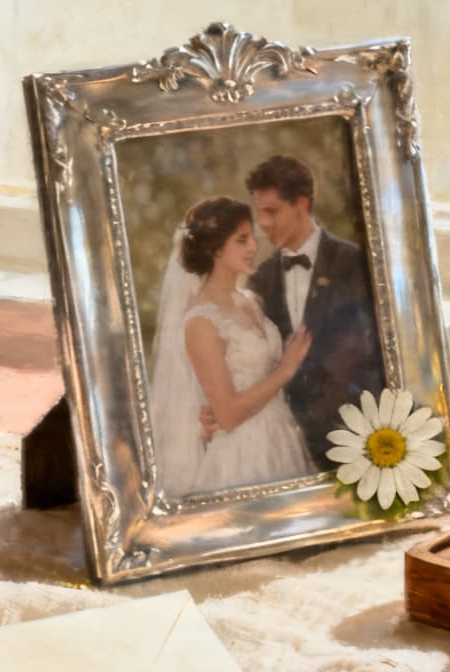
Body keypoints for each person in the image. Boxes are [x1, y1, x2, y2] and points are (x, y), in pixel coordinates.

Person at [147, 196, 314, 497]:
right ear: (214, 249)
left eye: (251, 237)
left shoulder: (252, 300)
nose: (253, 247)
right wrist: (286, 369)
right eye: (242, 240)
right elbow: (226, 414)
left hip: (281, 437)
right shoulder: (201, 320)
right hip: (243, 453)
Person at [236, 154, 387, 471]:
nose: (262, 224)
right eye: (259, 213)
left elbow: (376, 355)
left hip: (356, 436)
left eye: (271, 212)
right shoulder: (260, 279)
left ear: (301, 204)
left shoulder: (355, 263)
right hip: (284, 443)